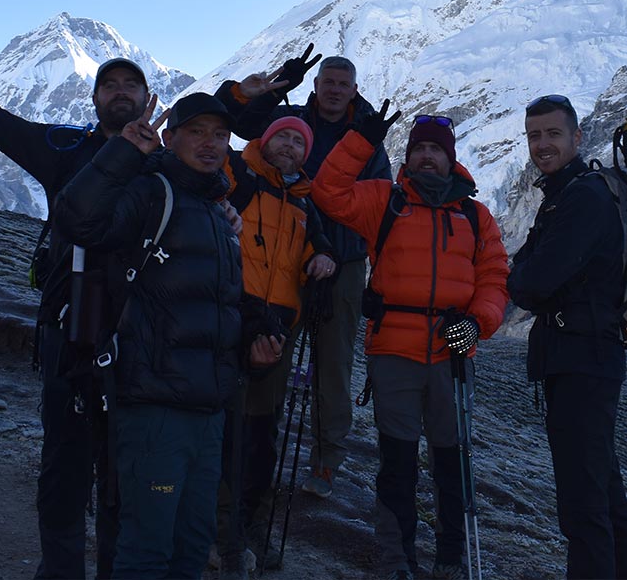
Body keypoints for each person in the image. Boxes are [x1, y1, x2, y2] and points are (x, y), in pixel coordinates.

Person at [0, 3, 143, 580]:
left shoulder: (168, 164)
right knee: (66, 467)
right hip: (70, 329)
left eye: (130, 85)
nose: (120, 93)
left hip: (142, 337)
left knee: (125, 475)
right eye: (110, 85)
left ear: (147, 100)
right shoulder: (64, 149)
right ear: (94, 99)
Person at [53, 92, 280, 580]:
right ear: (170, 137)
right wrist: (123, 151)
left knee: (192, 547)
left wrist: (256, 336)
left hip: (208, 410)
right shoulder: (151, 193)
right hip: (154, 405)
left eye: (220, 134)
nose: (210, 143)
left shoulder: (219, 214)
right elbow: (76, 218)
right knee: (148, 548)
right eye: (196, 132)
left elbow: (219, 303)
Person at [310, 108, 509, 580]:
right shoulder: (386, 200)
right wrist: (360, 141)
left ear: (450, 158)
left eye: (435, 149)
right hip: (394, 351)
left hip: (451, 353)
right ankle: (396, 559)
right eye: (419, 149)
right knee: (397, 463)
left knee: (451, 463)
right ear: (408, 155)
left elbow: (495, 279)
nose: (426, 156)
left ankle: (449, 558)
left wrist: (478, 323)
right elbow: (328, 193)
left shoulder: (475, 216)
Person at [220, 52, 393, 500]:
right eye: (327, 82)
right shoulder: (293, 120)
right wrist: (277, 86)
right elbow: (241, 125)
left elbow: (380, 204)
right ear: (315, 85)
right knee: (272, 351)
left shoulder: (368, 134)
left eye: (342, 84)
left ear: (354, 90)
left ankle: (326, 460)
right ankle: (259, 450)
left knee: (333, 362)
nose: (334, 90)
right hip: (285, 254)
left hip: (344, 261)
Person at [507, 94, 627, 579]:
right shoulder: (567, 194)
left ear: (577, 136)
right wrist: (529, 275)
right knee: (603, 491)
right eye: (534, 135)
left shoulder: (581, 198)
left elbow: (530, 281)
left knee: (583, 502)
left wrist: (528, 278)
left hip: (581, 360)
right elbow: (530, 272)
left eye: (552, 133)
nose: (542, 144)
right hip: (585, 357)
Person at [214, 114, 336, 577]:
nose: (289, 145)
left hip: (277, 331)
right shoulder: (238, 177)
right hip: (229, 318)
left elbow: (316, 248)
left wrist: (322, 258)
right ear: (264, 141)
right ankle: (222, 530)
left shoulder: (303, 203)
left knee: (261, 434)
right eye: (282, 136)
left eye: (298, 141)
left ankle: (249, 526)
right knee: (226, 427)